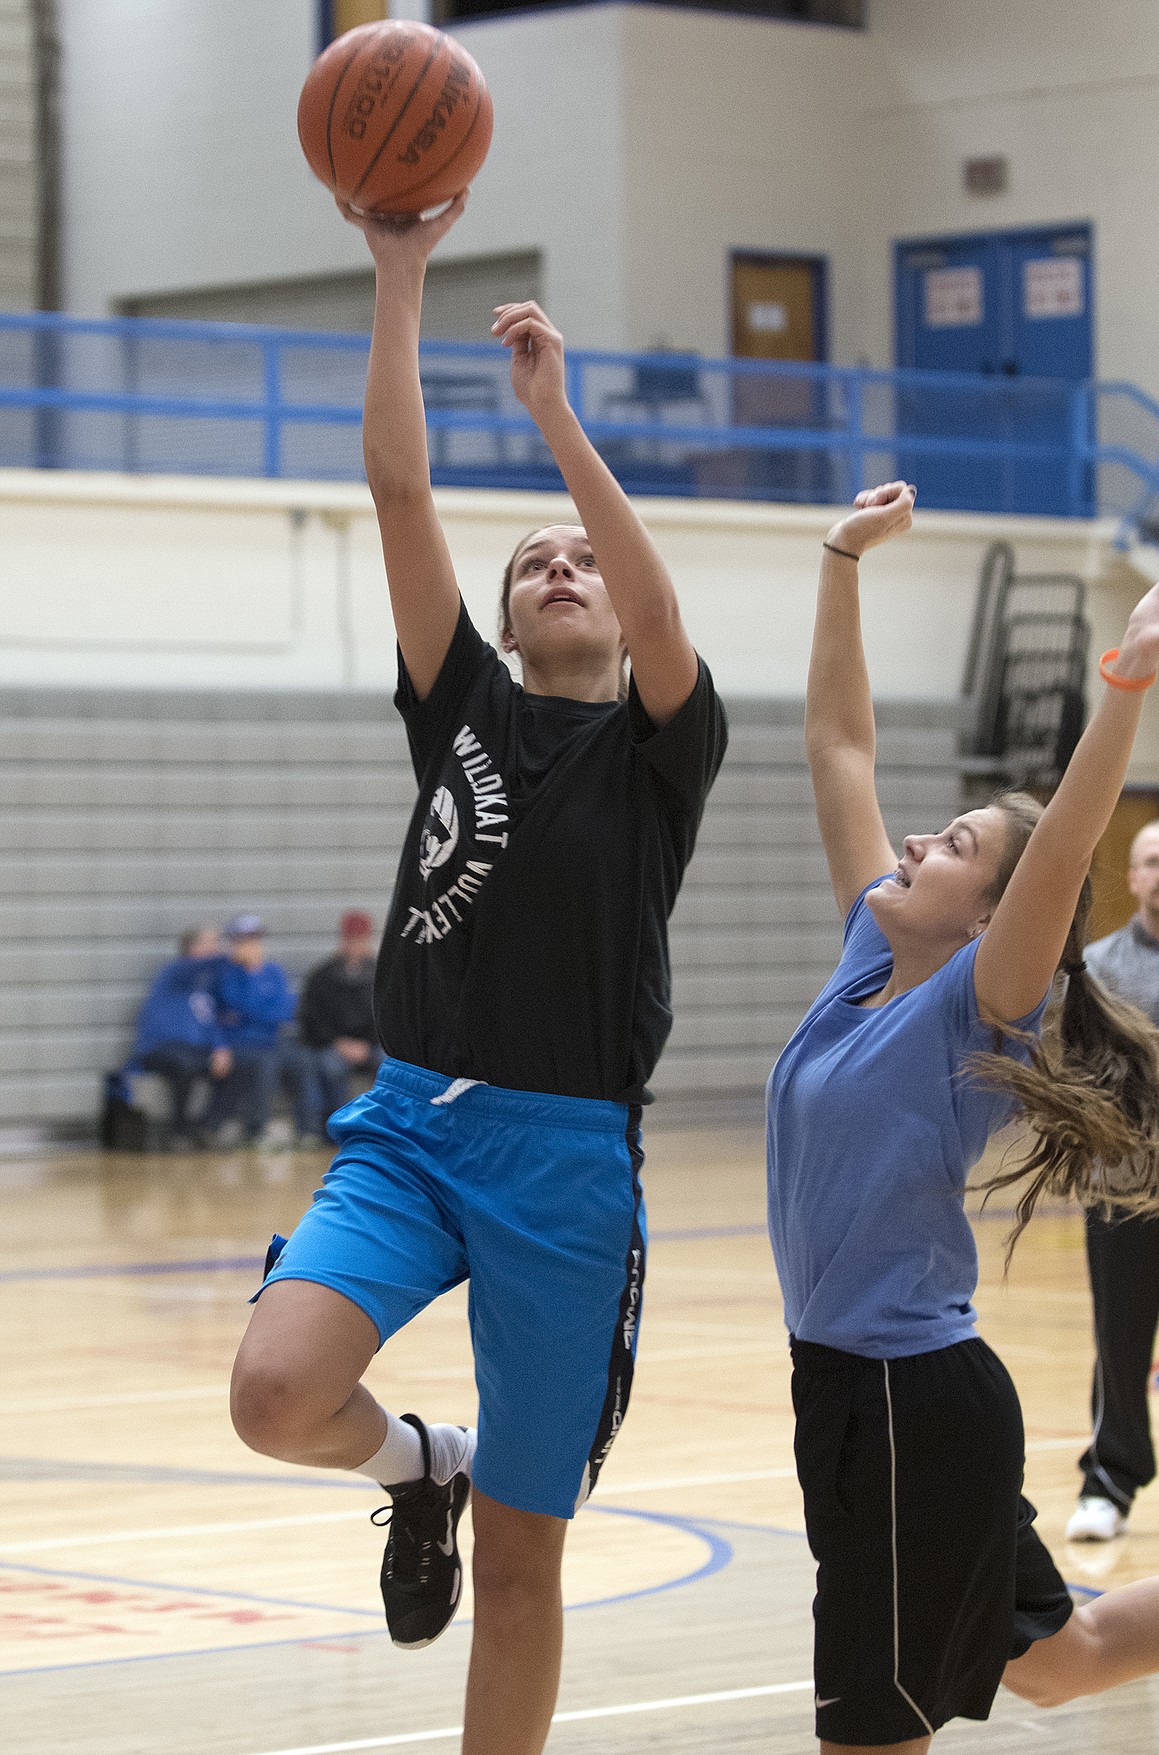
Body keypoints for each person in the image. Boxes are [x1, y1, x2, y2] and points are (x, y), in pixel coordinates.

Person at [228, 189, 726, 1755]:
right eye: (535, 560)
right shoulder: (465, 710)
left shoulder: (661, 749)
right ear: (505, 621)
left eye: (581, 556)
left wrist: (559, 421)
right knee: (273, 1391)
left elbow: (658, 610)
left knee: (522, 1569)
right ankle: (413, 1466)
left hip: (567, 1162)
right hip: (409, 1123)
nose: (562, 566)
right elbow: (396, 487)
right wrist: (399, 274)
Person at [767, 481, 1159, 1753]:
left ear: (992, 923)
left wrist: (1125, 687)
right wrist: (839, 559)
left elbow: (1061, 854)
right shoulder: (857, 957)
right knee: (1064, 1662)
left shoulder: (972, 1006)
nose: (915, 842)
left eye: (949, 848)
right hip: (868, 1393)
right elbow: (839, 746)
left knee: (870, 1740)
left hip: (902, 1406)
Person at [1067, 817, 1159, 1541]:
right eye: (1151, 861)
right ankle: (1109, 1480)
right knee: (1122, 1335)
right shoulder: (1096, 967)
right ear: (1132, 877)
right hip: (1126, 1186)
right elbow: (1074, 1073)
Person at [128, 926, 234, 1148]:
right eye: (210, 942)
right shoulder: (176, 972)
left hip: (192, 1049)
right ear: (192, 947)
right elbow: (205, 964)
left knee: (232, 1065)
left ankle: (206, 1127)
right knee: (184, 1064)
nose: (216, 948)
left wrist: (221, 1048)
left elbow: (212, 1022)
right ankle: (177, 1130)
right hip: (159, 1047)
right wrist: (233, 954)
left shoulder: (204, 987)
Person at [205, 915, 305, 1146]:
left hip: (269, 1040)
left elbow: (284, 1011)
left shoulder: (274, 971)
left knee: (301, 1060)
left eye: (255, 939)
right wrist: (251, 975)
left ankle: (307, 1129)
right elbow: (240, 1006)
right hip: (237, 1043)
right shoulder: (226, 975)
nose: (252, 946)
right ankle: (251, 1129)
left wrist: (250, 1013)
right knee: (263, 1064)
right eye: (245, 940)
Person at [296, 908, 383, 1136]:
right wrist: (338, 1042)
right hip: (334, 1045)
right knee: (330, 1066)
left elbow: (388, 1016)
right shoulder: (322, 976)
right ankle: (338, 1125)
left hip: (372, 1045)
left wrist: (367, 1044)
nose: (355, 945)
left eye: (360, 939)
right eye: (350, 939)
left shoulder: (382, 975)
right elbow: (312, 1018)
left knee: (390, 1066)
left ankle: (382, 1127)